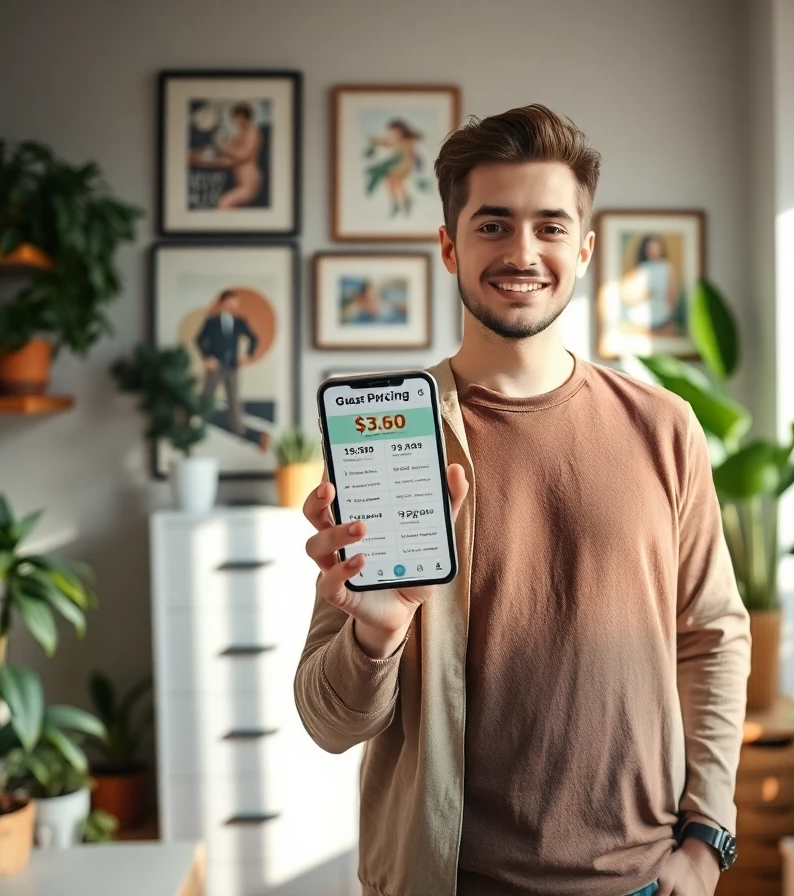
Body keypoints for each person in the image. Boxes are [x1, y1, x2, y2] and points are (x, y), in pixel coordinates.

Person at [294, 104, 750, 896]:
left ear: (584, 248)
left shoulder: (664, 428)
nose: (523, 252)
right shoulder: (392, 439)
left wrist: (707, 837)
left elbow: (711, 637)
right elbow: (330, 722)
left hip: (643, 882)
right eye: (493, 225)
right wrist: (374, 640)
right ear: (449, 245)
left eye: (549, 226)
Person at [195, 289, 258, 439]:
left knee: (234, 399)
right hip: (215, 365)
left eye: (235, 303)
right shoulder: (212, 321)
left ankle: (238, 430)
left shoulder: (239, 322)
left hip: (232, 365)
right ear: (222, 303)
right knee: (207, 396)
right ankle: (199, 427)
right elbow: (199, 339)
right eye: (230, 302)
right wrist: (207, 358)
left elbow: (253, 338)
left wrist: (247, 356)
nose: (232, 306)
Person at [190, 101, 264, 210]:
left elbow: (244, 155)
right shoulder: (239, 134)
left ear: (243, 117)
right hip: (238, 179)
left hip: (249, 181)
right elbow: (226, 158)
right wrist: (202, 159)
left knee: (224, 203)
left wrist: (223, 148)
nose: (233, 120)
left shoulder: (253, 132)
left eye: (236, 117)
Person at [621, 233, 682, 334]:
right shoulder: (640, 269)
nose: (652, 251)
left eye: (655, 247)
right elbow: (628, 296)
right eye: (650, 248)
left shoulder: (667, 267)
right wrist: (642, 296)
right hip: (640, 317)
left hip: (661, 315)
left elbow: (671, 296)